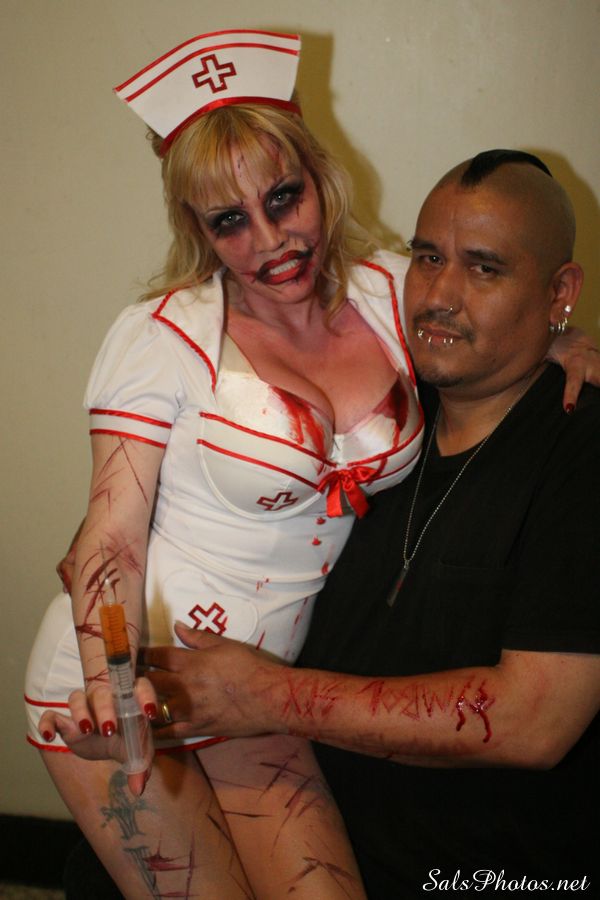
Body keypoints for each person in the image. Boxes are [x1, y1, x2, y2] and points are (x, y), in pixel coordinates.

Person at [26, 29, 427, 900]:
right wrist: (111, 689)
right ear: (197, 229)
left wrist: (562, 342)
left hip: (252, 691)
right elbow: (113, 535)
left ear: (319, 175)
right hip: (131, 683)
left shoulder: (393, 292)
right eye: (230, 221)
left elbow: (497, 316)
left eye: (285, 197)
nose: (271, 240)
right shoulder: (162, 337)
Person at [138, 150, 600, 898]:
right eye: (428, 258)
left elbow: (533, 721)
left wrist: (266, 697)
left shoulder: (580, 449)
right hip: (305, 808)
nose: (439, 296)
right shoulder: (382, 414)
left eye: (484, 269)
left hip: (483, 869)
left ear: (560, 292)